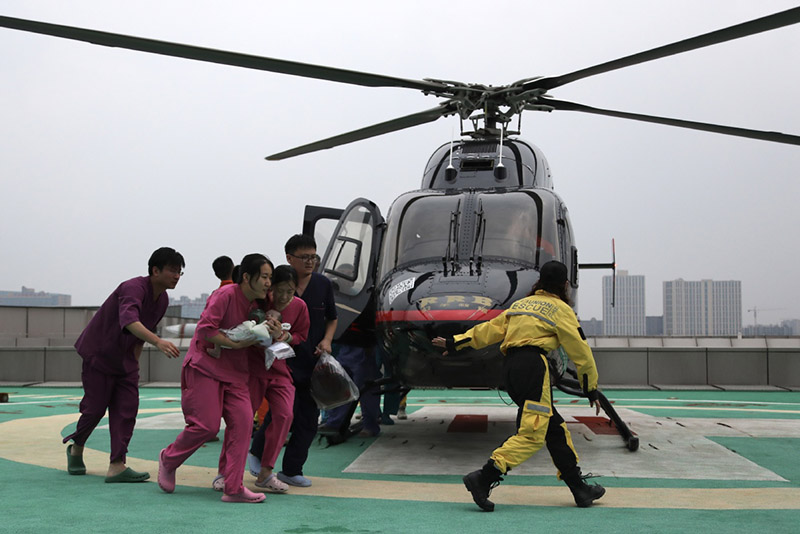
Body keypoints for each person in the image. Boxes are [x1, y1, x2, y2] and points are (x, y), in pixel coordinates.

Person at [432, 260, 605, 511]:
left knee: (553, 429)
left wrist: (455, 343)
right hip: (534, 367)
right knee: (532, 435)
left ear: (539, 282)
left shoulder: (521, 305)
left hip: (511, 369)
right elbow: (581, 353)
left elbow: (489, 330)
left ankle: (578, 487)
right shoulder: (560, 309)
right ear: (565, 284)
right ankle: (483, 477)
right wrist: (590, 387)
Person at [158, 253, 281, 503]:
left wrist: (275, 330)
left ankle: (233, 488)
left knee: (245, 423)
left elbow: (275, 317)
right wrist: (235, 344)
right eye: (265, 277)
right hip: (205, 367)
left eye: (271, 277)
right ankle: (168, 460)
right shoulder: (225, 295)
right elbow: (205, 329)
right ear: (247, 277)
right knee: (206, 426)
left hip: (236, 373)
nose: (269, 283)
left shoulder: (261, 302)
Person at [63, 247, 184, 482]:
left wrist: (133, 366)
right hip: (99, 354)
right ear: (155, 270)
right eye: (172, 270)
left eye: (180, 272)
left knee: (127, 409)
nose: (177, 276)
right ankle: (76, 447)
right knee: (95, 408)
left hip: (125, 361)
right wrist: (158, 342)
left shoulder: (163, 299)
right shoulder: (132, 287)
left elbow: (141, 333)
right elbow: (130, 321)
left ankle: (117, 464)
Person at [250, 234, 337, 488]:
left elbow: (332, 317)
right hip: (279, 362)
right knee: (281, 414)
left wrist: (327, 341)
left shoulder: (322, 285)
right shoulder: (274, 285)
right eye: (305, 257)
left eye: (314, 257)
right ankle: (258, 455)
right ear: (289, 258)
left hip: (311, 360)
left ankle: (292, 469)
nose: (311, 262)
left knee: (309, 419)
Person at [244, 265, 310, 492]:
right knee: (242, 419)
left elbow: (302, 335)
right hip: (253, 370)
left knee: (284, 415)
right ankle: (224, 471)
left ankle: (265, 473)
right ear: (270, 287)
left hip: (280, 370)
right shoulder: (260, 303)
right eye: (279, 290)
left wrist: (285, 335)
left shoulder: (300, 307)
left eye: (290, 291)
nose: (283, 296)